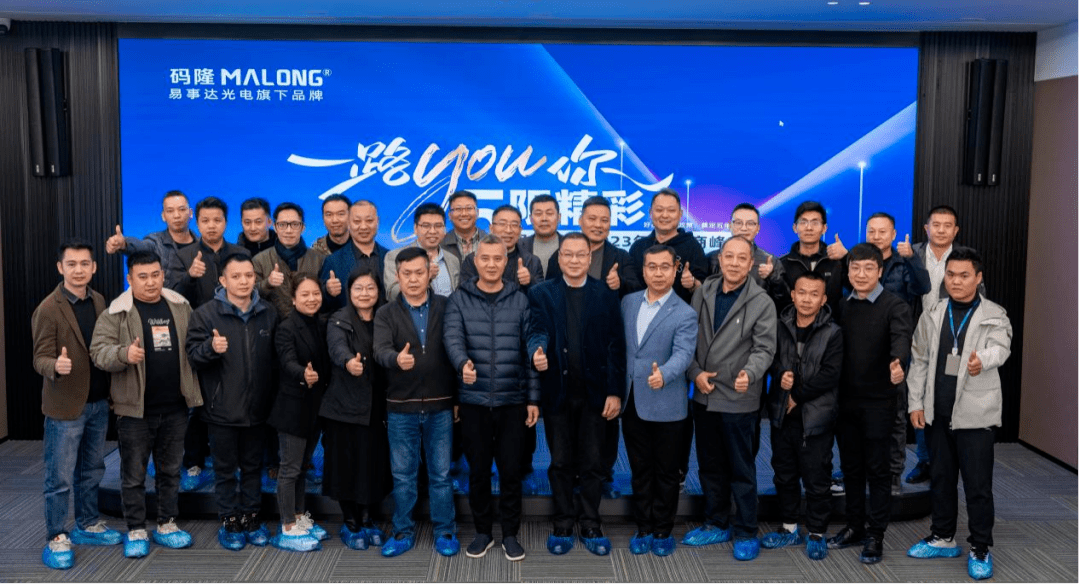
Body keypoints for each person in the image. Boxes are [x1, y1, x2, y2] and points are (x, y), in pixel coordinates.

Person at [905, 247, 1011, 581]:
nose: (956, 281)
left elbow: (1001, 347)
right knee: (941, 479)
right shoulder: (933, 312)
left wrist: (984, 359)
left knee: (978, 486)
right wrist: (915, 403)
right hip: (937, 413)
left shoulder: (995, 314)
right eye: (950, 275)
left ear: (978, 278)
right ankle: (943, 537)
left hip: (975, 416)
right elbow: (919, 359)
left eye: (964, 275)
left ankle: (980, 546)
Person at [89, 251, 201, 559]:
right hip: (134, 411)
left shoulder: (180, 305)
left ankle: (167, 524)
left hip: (176, 407)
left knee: (170, 471)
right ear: (130, 279)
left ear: (163, 275)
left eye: (155, 275)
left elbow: (193, 345)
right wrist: (124, 354)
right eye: (142, 277)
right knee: (133, 475)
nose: (150, 282)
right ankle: (136, 529)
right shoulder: (116, 312)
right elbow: (98, 352)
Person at [527, 233, 625, 556]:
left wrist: (615, 392)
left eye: (580, 255)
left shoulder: (606, 294)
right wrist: (537, 350)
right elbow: (536, 329)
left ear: (589, 258)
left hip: (595, 395)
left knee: (593, 462)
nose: (573, 260)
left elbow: (616, 347)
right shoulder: (541, 293)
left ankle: (591, 524)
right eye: (567, 254)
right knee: (560, 462)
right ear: (559, 258)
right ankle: (563, 524)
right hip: (557, 393)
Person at [444, 235, 540, 561]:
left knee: (511, 472)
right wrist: (462, 364)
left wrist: (533, 399)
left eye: (498, 259)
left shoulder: (520, 299)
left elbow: (530, 352)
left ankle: (510, 534)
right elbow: (452, 339)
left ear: (506, 261)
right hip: (474, 401)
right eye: (485, 258)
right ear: (475, 260)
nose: (491, 264)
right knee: (478, 471)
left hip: (513, 401)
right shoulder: (459, 299)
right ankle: (483, 532)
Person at [683, 236, 776, 561]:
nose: (734, 263)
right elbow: (688, 338)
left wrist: (750, 373)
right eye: (729, 257)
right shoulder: (703, 292)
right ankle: (716, 522)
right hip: (704, 394)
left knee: (741, 468)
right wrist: (694, 372)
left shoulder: (762, 301)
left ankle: (747, 530)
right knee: (709, 466)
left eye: (741, 258)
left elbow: (764, 348)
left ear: (751, 264)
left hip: (739, 397)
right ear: (719, 260)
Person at [33, 240, 121, 569]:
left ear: (94, 267)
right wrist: (55, 366)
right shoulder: (48, 308)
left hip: (98, 403)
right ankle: (56, 535)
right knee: (59, 477)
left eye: (85, 263)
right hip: (65, 406)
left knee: (92, 470)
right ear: (60, 268)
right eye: (71, 264)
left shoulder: (99, 300)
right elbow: (39, 357)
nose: (79, 270)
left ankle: (87, 524)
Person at [544, 195, 639, 499]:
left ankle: (604, 475)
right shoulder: (559, 256)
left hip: (603, 354)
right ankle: (573, 477)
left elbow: (638, 288)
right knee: (566, 432)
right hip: (567, 357)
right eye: (592, 219)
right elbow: (551, 298)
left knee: (604, 426)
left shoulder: (621, 256)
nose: (598, 225)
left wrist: (619, 284)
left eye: (604, 220)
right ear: (580, 221)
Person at [185, 253, 279, 551]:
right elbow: (192, 357)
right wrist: (210, 348)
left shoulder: (268, 312)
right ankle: (228, 520)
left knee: (253, 467)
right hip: (221, 409)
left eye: (249, 276)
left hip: (258, 409)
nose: (243, 281)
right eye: (236, 276)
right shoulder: (205, 314)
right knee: (225, 470)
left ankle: (251, 518)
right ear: (223, 280)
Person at [827, 243, 912, 564]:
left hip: (879, 402)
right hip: (845, 402)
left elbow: (901, 338)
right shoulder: (843, 305)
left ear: (880, 271)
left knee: (877, 471)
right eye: (855, 268)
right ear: (848, 271)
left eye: (868, 268)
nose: (861, 274)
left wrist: (898, 362)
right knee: (850, 468)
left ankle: (876, 534)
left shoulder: (895, 305)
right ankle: (854, 526)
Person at [373, 247, 459, 557]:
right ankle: (402, 531)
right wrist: (396, 359)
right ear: (397, 276)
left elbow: (456, 350)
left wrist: (458, 397)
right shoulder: (385, 313)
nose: (413, 279)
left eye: (419, 273)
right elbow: (379, 351)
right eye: (406, 273)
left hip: (440, 405)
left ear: (430, 274)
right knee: (403, 476)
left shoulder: (447, 307)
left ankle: (445, 531)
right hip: (401, 406)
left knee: (441, 475)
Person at [619, 244, 697, 557]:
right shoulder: (628, 302)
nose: (658, 273)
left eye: (665, 267)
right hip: (632, 402)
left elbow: (684, 354)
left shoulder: (685, 313)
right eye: (652, 267)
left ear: (675, 270)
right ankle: (644, 527)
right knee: (640, 469)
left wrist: (664, 373)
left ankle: (663, 530)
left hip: (667, 404)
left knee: (666, 472)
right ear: (643, 270)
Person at [760, 272, 843, 561]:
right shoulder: (778, 325)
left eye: (814, 294)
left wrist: (797, 395)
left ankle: (817, 533)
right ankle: (789, 528)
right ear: (793, 295)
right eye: (802, 293)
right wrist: (779, 374)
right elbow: (769, 358)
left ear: (823, 299)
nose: (807, 299)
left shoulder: (833, 332)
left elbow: (830, 374)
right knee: (784, 474)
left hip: (815, 418)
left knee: (817, 477)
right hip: (782, 415)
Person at [170, 196, 249, 492]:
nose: (211, 225)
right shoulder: (184, 255)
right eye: (205, 220)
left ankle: (233, 461)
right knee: (198, 402)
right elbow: (172, 295)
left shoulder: (240, 254)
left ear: (226, 222)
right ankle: (194, 461)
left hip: (236, 335)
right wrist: (190, 277)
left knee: (234, 397)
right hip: (199, 335)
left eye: (217, 220)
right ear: (197, 221)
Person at [900, 205, 984, 485]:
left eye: (948, 225)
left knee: (947, 398)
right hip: (917, 337)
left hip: (953, 339)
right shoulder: (911, 252)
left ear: (955, 230)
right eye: (936, 225)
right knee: (918, 397)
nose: (941, 230)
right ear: (926, 228)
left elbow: (980, 298)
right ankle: (925, 460)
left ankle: (947, 460)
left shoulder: (965, 257)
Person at [323, 268, 391, 550]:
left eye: (370, 288)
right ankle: (350, 521)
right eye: (358, 288)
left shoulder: (385, 318)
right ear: (349, 292)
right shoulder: (339, 319)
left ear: (379, 291)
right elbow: (336, 348)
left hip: (376, 406)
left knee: (371, 464)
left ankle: (367, 517)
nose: (365, 294)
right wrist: (348, 361)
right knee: (345, 466)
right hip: (344, 405)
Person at [865, 211, 931, 493]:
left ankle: (893, 474)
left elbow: (923, 287)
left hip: (896, 348)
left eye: (883, 231)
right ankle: (855, 470)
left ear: (893, 234)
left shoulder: (904, 262)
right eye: (871, 231)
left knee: (895, 414)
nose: (876, 236)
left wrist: (912, 259)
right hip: (861, 346)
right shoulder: (858, 260)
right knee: (856, 413)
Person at [266, 274, 331, 552]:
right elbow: (287, 361)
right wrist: (303, 373)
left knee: (303, 467)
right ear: (293, 299)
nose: (311, 299)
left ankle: (300, 516)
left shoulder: (322, 323)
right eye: (305, 294)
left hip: (315, 408)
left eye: (316, 293)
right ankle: (288, 526)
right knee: (289, 469)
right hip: (292, 409)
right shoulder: (286, 327)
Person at [627, 188, 708, 305]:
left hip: (681, 313)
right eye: (659, 210)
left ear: (680, 214)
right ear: (651, 213)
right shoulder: (638, 247)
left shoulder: (693, 247)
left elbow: (705, 289)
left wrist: (693, 283)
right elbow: (630, 286)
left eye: (671, 210)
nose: (665, 215)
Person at [105, 190, 197, 290]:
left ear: (190, 213)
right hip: (168, 299)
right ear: (163, 216)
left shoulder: (202, 243)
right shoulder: (156, 242)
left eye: (182, 209)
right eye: (170, 211)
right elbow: (141, 246)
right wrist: (124, 244)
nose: (176, 215)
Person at [253, 202, 326, 317]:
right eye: (282, 225)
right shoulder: (259, 260)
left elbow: (325, 299)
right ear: (275, 227)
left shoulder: (319, 259)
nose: (288, 230)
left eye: (294, 224)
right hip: (272, 324)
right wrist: (267, 283)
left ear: (303, 228)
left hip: (311, 324)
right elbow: (248, 295)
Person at [777, 201, 849, 316]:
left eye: (815, 223)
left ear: (824, 228)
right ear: (795, 228)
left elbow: (857, 290)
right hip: (792, 326)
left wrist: (847, 258)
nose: (809, 228)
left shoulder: (837, 261)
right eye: (803, 222)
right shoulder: (782, 264)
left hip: (831, 325)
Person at [706, 203, 787, 304]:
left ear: (758, 228)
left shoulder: (770, 262)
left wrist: (773, 277)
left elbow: (784, 302)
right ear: (730, 225)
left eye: (750, 223)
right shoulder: (712, 258)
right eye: (738, 223)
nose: (744, 228)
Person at [321, 200, 390, 311]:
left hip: (385, 321)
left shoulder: (390, 258)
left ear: (377, 222)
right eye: (357, 221)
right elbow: (322, 305)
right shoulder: (333, 261)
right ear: (348, 223)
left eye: (369, 221)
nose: (363, 227)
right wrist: (328, 292)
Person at [384, 203, 460, 299]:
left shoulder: (453, 260)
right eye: (426, 226)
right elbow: (392, 294)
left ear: (444, 229)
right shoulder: (395, 256)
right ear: (415, 228)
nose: (432, 231)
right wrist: (424, 277)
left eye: (438, 226)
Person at [460, 205, 543, 292]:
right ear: (491, 228)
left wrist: (530, 281)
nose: (508, 230)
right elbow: (464, 293)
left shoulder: (532, 262)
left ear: (520, 230)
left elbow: (542, 296)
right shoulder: (472, 260)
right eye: (502, 224)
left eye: (514, 225)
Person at [519, 194, 563, 278]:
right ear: (531, 219)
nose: (544, 219)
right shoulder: (519, 246)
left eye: (549, 213)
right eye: (538, 214)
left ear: (559, 217)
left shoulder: (571, 245)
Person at [441, 190, 487, 260]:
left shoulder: (491, 242)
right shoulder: (440, 245)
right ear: (450, 215)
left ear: (477, 213)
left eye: (469, 208)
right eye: (458, 209)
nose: (464, 214)